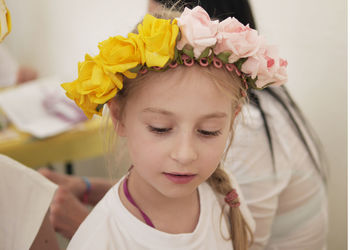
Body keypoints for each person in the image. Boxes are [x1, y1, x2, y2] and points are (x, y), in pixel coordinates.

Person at [40, 1, 328, 250]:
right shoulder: (100, 239)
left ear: (233, 120)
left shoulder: (224, 194)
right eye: (161, 128)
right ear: (119, 117)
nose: (185, 154)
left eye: (208, 131)